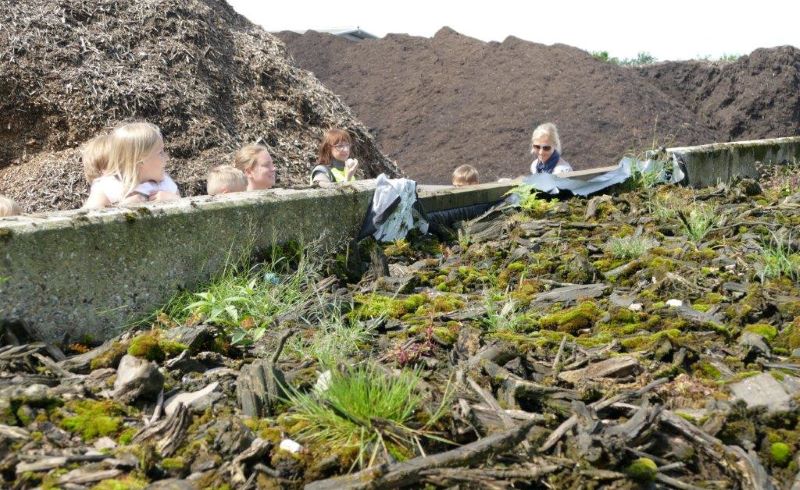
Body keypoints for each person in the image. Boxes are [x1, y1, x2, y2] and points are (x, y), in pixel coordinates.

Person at [82, 122, 180, 209]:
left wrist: (176, 201)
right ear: (140, 160)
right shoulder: (109, 187)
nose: (167, 158)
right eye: (160, 153)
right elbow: (86, 220)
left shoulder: (166, 185)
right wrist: (120, 208)